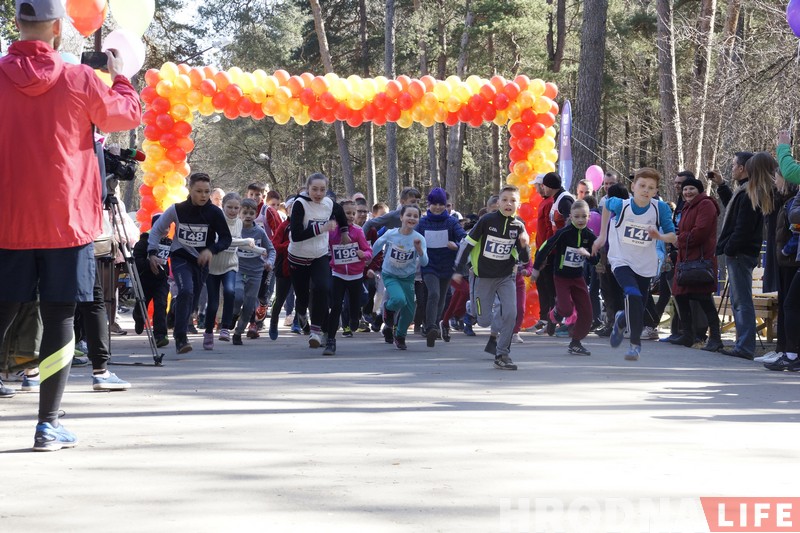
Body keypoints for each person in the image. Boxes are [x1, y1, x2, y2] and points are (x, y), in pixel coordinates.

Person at [0, 0, 141, 448]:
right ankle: (47, 424)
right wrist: (121, 75)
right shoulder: (80, 78)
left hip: (8, 220)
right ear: (58, 29)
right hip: (67, 222)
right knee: (60, 316)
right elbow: (126, 114)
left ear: (17, 25)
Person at [591, 168, 676, 361]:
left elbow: (673, 236)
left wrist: (660, 236)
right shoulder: (621, 205)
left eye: (651, 188)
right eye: (642, 186)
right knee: (632, 293)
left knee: (638, 303)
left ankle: (621, 319)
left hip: (645, 263)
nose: (646, 190)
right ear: (633, 186)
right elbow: (606, 206)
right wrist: (602, 236)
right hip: (621, 259)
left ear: (655, 191)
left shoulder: (659, 208)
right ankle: (634, 346)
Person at [148, 173, 232, 354]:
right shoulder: (177, 209)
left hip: (201, 261)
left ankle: (175, 312)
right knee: (186, 290)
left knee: (192, 303)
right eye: (199, 191)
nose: (203, 195)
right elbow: (156, 230)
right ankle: (180, 338)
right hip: (181, 256)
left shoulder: (214, 212)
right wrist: (152, 253)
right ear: (190, 190)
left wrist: (211, 250)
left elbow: (226, 238)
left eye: (207, 192)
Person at [454, 186, 530, 370]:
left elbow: (525, 259)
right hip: (483, 277)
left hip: (505, 277)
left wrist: (524, 245)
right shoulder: (487, 221)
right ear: (498, 203)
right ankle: (471, 306)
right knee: (483, 321)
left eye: (513, 200)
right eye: (504, 200)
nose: (508, 204)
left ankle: (502, 354)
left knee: (511, 313)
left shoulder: (518, 226)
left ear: (518, 204)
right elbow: (468, 244)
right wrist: (459, 269)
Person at [716, 151, 772, 360]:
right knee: (740, 300)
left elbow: (743, 227)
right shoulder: (747, 190)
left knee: (742, 301)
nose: (732, 169)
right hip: (741, 252)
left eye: (733, 165)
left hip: (740, 253)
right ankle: (743, 343)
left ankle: (745, 346)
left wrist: (730, 248)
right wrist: (721, 185)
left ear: (742, 168)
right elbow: (733, 206)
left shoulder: (751, 191)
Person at [289, 173, 350, 348]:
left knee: (323, 288)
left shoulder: (329, 204)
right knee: (302, 297)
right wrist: (321, 228)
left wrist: (344, 232)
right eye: (314, 189)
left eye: (322, 189)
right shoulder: (299, 204)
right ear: (308, 188)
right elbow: (297, 234)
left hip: (320, 255)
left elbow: (340, 213)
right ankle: (301, 313)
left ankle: (315, 331)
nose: (318, 193)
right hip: (298, 256)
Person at [532, 200, 597, 356]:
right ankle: (554, 312)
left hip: (578, 277)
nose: (580, 220)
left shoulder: (590, 235)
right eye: (577, 217)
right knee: (566, 310)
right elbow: (544, 247)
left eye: (584, 217)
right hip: (561, 277)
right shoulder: (564, 233)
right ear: (571, 217)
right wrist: (535, 269)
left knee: (588, 313)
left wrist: (587, 254)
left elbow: (595, 260)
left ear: (589, 217)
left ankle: (576, 343)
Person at [670, 178, 723, 352]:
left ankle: (715, 338)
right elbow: (682, 230)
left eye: (691, 188)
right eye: (685, 189)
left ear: (699, 190)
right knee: (680, 295)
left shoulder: (706, 205)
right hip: (684, 259)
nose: (687, 192)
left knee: (704, 298)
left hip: (700, 259)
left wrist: (680, 239)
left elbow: (700, 232)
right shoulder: (687, 206)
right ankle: (687, 335)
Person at [371, 205, 429, 350]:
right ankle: (388, 309)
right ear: (401, 217)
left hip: (408, 277)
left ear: (418, 220)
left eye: (415, 216)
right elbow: (378, 244)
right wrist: (368, 259)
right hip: (390, 274)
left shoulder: (419, 239)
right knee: (399, 299)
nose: (412, 218)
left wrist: (419, 250)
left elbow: (425, 262)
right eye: (408, 215)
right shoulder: (391, 234)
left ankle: (400, 335)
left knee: (410, 311)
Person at [416, 187, 467, 348]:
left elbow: (464, 239)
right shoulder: (422, 222)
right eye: (434, 204)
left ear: (446, 205)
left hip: (446, 266)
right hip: (429, 265)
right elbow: (413, 237)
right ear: (429, 204)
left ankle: (435, 324)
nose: (438, 207)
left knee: (443, 297)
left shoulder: (451, 222)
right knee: (434, 293)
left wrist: (456, 245)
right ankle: (430, 326)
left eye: (441, 204)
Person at [325, 200, 372, 355]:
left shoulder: (358, 231)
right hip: (338, 273)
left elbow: (368, 251)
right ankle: (331, 341)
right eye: (347, 213)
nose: (351, 216)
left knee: (354, 304)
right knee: (336, 306)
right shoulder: (332, 231)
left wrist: (363, 254)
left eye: (354, 213)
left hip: (356, 275)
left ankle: (354, 318)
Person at [232, 198, 275, 345]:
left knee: (250, 306)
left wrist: (269, 262)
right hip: (238, 269)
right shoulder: (235, 230)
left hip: (256, 273)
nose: (248, 216)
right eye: (245, 212)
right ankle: (234, 313)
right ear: (239, 213)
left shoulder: (260, 232)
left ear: (256, 214)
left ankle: (238, 332)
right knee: (237, 296)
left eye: (252, 213)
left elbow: (271, 250)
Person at [132, 214, 170, 347]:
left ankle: (160, 335)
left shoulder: (168, 242)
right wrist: (150, 263)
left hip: (161, 281)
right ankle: (138, 317)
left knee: (161, 305)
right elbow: (136, 261)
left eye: (168, 227)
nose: (165, 230)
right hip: (145, 280)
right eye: (162, 227)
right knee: (142, 303)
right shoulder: (143, 242)